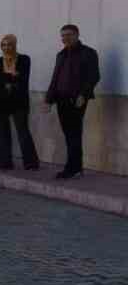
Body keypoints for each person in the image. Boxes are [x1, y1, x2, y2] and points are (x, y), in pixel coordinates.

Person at [42, 23, 101, 180]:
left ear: (77, 35)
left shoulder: (88, 53)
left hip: (77, 100)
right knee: (68, 134)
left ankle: (73, 168)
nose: (65, 38)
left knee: (74, 133)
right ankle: (75, 167)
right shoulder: (61, 55)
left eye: (68, 35)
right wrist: (48, 100)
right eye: (62, 36)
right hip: (61, 100)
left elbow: (94, 76)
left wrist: (84, 94)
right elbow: (55, 79)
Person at [0, 35, 40, 171]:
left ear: (15, 45)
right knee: (3, 133)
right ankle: (5, 163)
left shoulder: (24, 59)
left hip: (19, 102)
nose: (6, 47)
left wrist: (5, 77)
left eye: (9, 44)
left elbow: (23, 77)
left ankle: (31, 163)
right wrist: (12, 76)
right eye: (4, 45)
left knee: (23, 131)